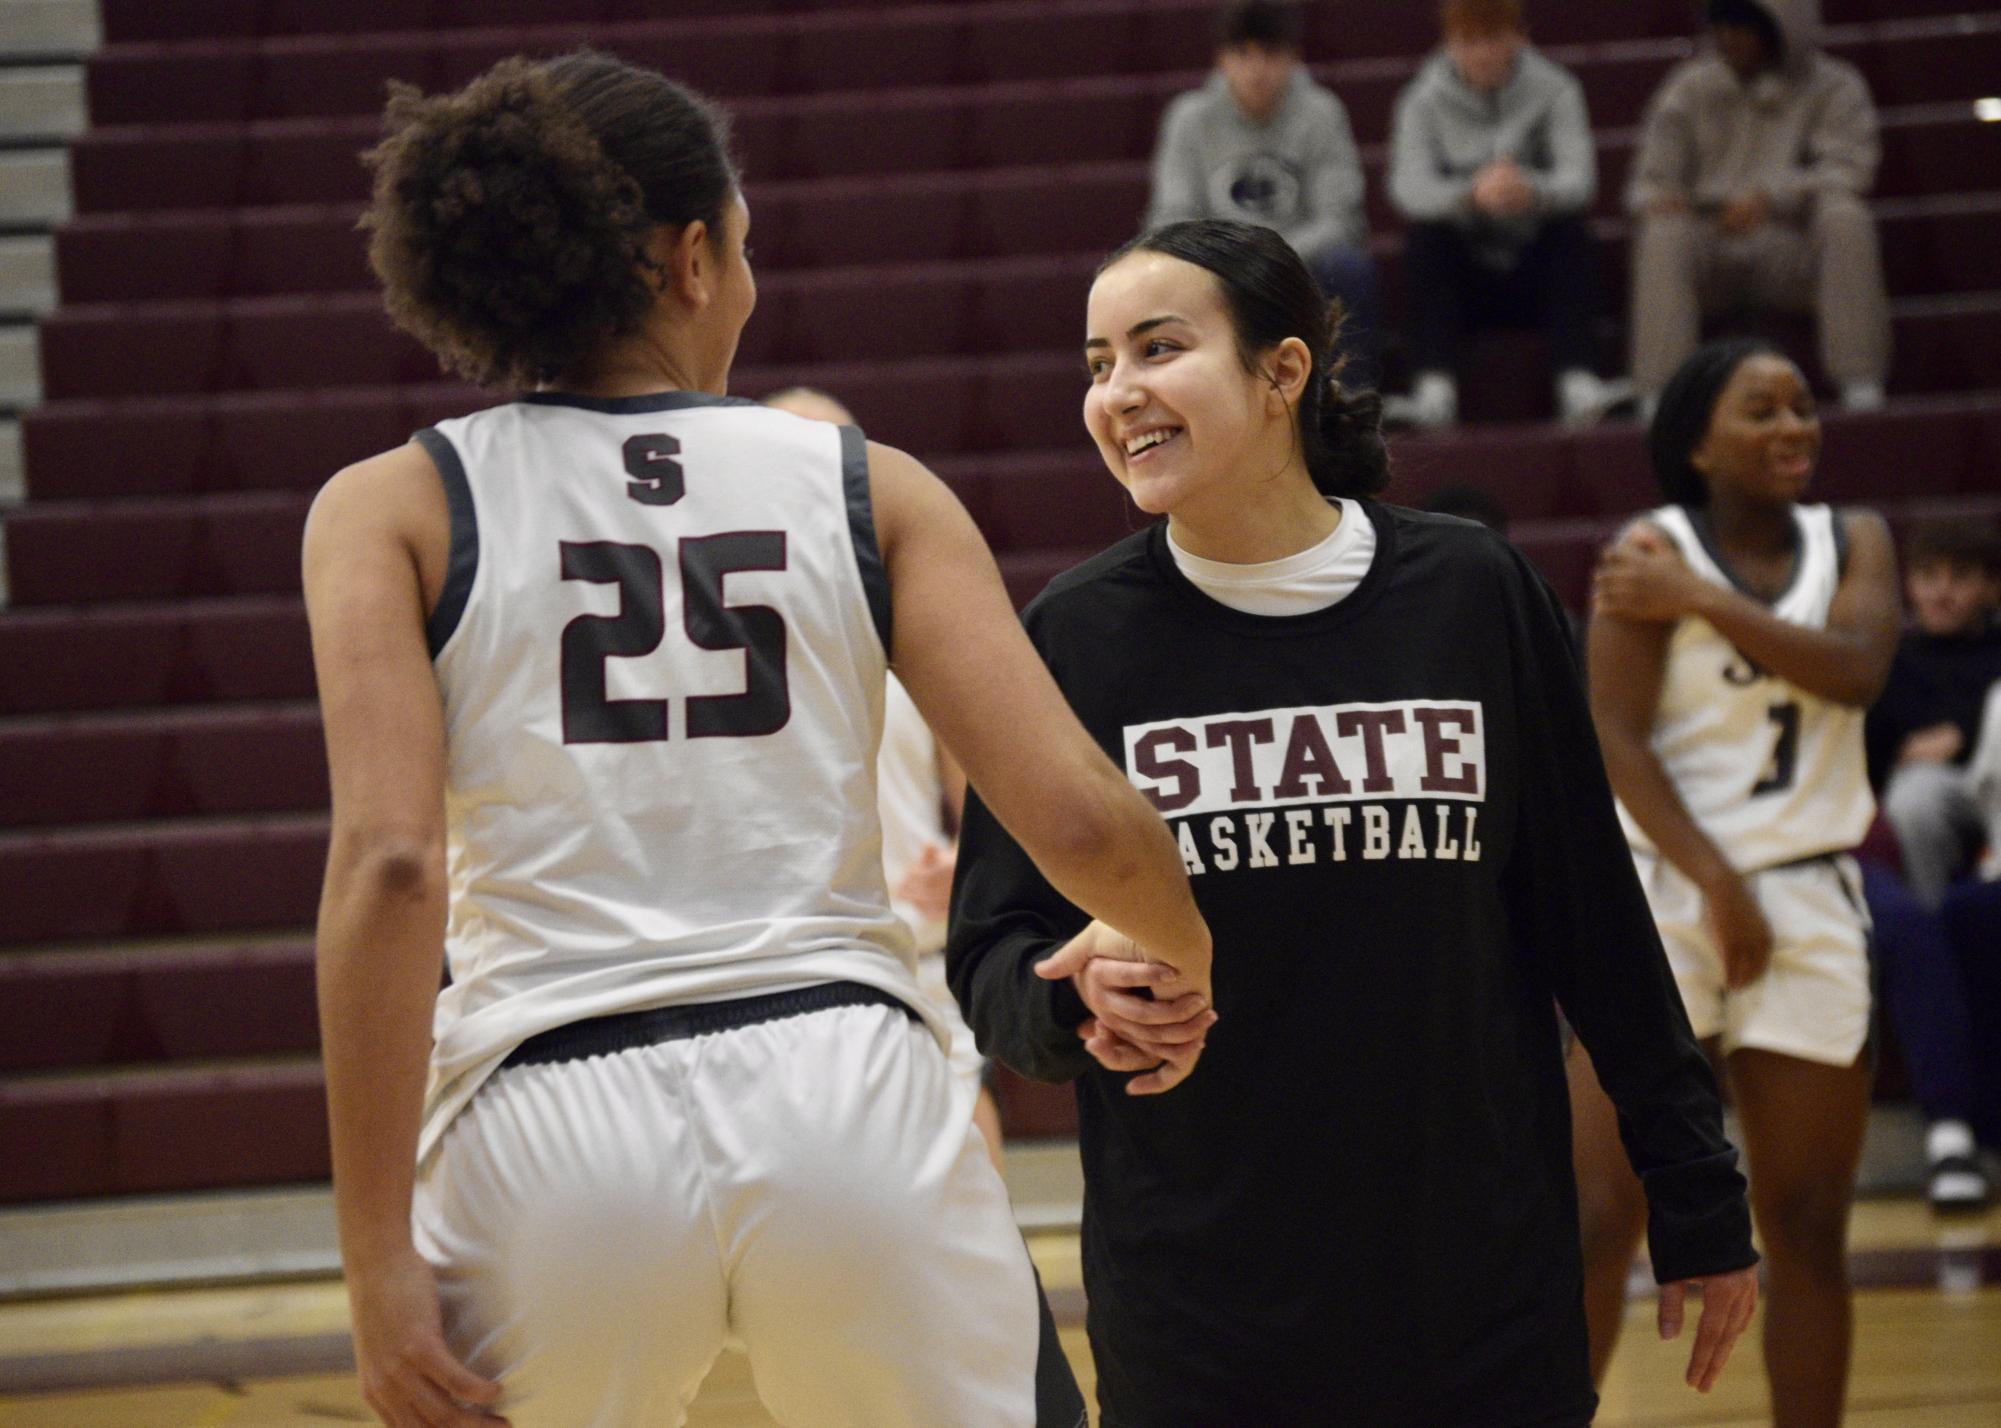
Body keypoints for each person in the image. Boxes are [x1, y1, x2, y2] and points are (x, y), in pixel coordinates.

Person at [305, 51, 1212, 1428]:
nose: (747, 277)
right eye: (742, 244)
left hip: (545, 1120)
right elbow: (1080, 821)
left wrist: (375, 1261)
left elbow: (385, 868)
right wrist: (1183, 955)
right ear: (686, 259)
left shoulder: (389, 505)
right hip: (845, 1088)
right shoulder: (868, 484)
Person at [948, 217, 1757, 1426]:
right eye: (1097, 363)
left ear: (1284, 374)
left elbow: (1592, 917)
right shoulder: (1072, 637)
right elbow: (991, 951)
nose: (1118, 393)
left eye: (1158, 348)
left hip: (1477, 1284)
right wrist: (1069, 1004)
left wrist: (1696, 1189)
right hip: (1201, 1301)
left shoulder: (1473, 596)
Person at [1571, 338, 1901, 1421]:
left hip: (1806, 894)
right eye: (1762, 413)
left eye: (1804, 408)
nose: (1795, 429)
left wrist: (1701, 603)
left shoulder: (1856, 538)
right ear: (1699, 443)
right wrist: (1717, 883)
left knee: (1806, 1220)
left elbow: (1855, 671)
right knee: (1595, 1213)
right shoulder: (1645, 548)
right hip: (1666, 894)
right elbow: (1613, 739)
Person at [763, 384, 1005, 1170]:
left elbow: (987, 803)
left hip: (907, 952)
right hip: (768, 966)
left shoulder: (914, 614)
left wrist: (970, 869)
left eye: (837, 459)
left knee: (971, 1175)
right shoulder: (699, 634)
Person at [1626, 0, 1891, 413]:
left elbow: (1851, 169)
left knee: (1846, 218)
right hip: (1712, 246)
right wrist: (1668, 202)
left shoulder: (1836, 86)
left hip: (1793, 246)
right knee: (1662, 233)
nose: (1728, 38)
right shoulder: (1688, 87)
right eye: (1721, 26)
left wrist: (1772, 198)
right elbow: (1646, 183)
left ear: (1779, 30)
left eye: (1743, 27)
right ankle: (1660, 399)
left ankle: (1861, 385)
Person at [1386, 0, 1619, 429]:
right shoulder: (1420, 100)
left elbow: (1580, 180)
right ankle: (1434, 390)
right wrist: (1471, 195)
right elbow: (1407, 189)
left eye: (1493, 38)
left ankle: (1578, 382)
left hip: (1534, 267)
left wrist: (1530, 190)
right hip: (1464, 274)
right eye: (1468, 40)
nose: (1482, 53)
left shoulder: (1557, 88)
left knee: (1573, 233)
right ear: (1448, 43)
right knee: (1425, 239)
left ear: (1518, 36)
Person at [1861, 520, 2001, 1208]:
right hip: (1934, 809)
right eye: (1928, 576)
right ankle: (1926, 931)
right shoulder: (1890, 661)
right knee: (1912, 799)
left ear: (1989, 588)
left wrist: (1967, 734)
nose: (1942, 591)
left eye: (1960, 576)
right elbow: (1869, 769)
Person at [1145, 1, 1381, 381]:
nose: (1257, 69)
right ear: (1222, 59)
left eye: (1270, 54)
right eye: (1243, 54)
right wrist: (1230, 263)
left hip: (1304, 264)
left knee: (1348, 268)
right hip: (1218, 270)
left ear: (1294, 58)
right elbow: (1171, 218)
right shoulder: (1189, 118)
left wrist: (1272, 259)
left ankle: (1348, 403)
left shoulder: (1322, 113)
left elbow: (1341, 219)